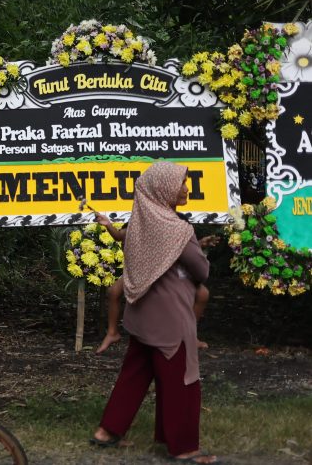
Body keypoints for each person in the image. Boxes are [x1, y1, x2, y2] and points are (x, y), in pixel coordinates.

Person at [91, 162, 217, 464]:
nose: (186, 188)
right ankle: (184, 448)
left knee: (134, 374)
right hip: (171, 321)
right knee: (183, 382)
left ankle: (107, 432)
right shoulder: (179, 230)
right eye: (181, 184)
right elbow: (202, 270)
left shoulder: (138, 222)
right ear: (163, 190)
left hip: (140, 316)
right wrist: (197, 250)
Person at [94, 215, 217, 354]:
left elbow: (178, 248)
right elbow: (117, 235)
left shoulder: (163, 230)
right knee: (113, 291)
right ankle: (112, 332)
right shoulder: (132, 229)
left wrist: (199, 244)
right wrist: (108, 224)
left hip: (163, 271)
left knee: (202, 294)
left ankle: (189, 337)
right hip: (138, 272)